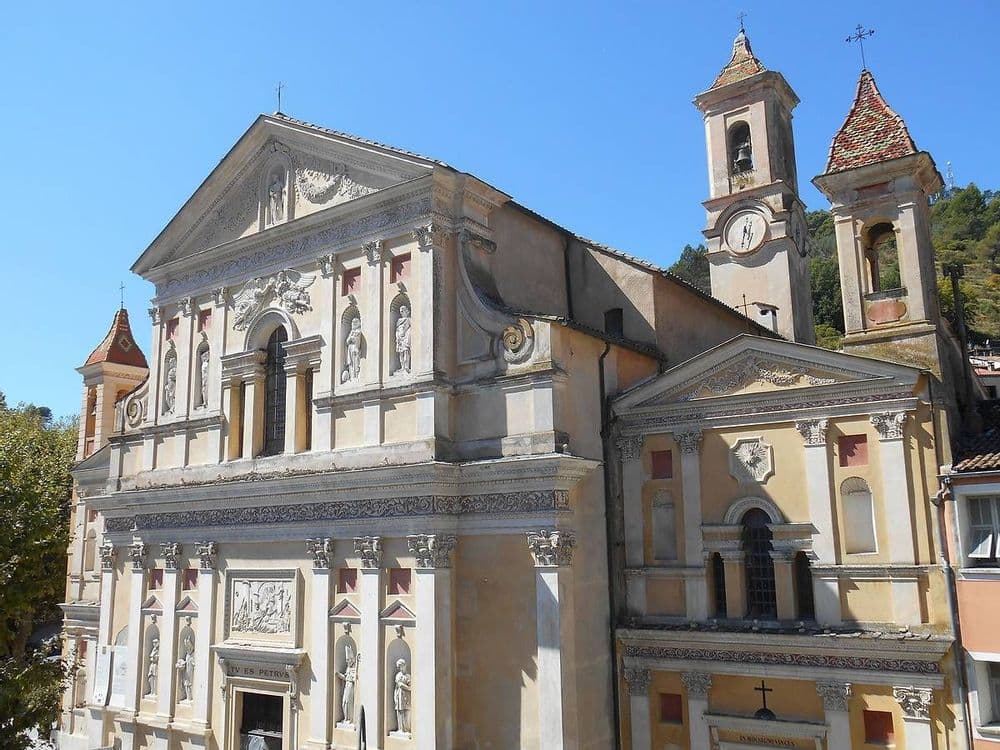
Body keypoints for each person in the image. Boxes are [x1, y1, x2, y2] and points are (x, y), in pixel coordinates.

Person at [336, 649, 358, 724]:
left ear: (352, 660)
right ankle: (346, 718)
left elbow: (354, 679)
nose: (347, 661)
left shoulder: (354, 669)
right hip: (347, 686)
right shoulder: (348, 668)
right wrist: (339, 675)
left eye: (348, 660)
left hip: (350, 687)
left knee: (348, 702)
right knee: (344, 702)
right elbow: (346, 678)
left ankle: (349, 718)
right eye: (346, 660)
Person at [393, 658, 411, 734]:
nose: (400, 668)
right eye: (399, 667)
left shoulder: (408, 676)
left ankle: (407, 728)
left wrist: (404, 686)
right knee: (400, 711)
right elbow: (398, 686)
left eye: (401, 666)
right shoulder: (398, 675)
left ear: (404, 666)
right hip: (399, 696)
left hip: (406, 696)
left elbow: (410, 687)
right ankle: (401, 728)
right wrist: (395, 697)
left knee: (407, 711)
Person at [394, 305, 411, 374]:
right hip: (399, 338)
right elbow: (397, 329)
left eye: (403, 311)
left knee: (406, 351)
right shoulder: (399, 320)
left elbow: (410, 329)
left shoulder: (409, 319)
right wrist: (397, 336)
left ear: (407, 311)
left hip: (406, 337)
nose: (402, 312)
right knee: (400, 353)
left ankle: (406, 366)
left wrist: (407, 335)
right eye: (401, 311)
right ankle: (402, 367)